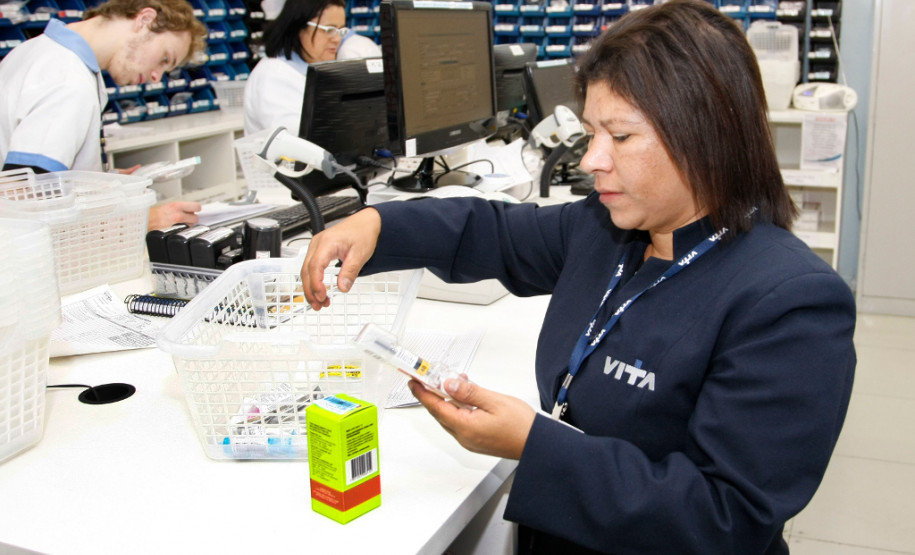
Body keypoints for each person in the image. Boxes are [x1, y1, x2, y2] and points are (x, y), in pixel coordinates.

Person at [299, 1, 857, 552]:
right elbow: (490, 232)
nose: (592, 159)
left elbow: (724, 519)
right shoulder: (607, 229)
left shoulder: (791, 304)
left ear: (705, 136)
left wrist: (534, 444)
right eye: (592, 133)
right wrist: (376, 223)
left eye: (619, 137)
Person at [0, 0, 208, 231]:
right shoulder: (69, 81)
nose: (157, 77)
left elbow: (34, 171)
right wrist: (140, 221)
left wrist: (99, 180)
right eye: (164, 59)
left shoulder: (35, 50)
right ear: (145, 20)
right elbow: (21, 198)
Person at [242, 0, 381, 136]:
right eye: (329, 30)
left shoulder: (317, 68)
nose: (337, 39)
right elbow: (297, 139)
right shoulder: (273, 74)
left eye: (341, 30)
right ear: (299, 27)